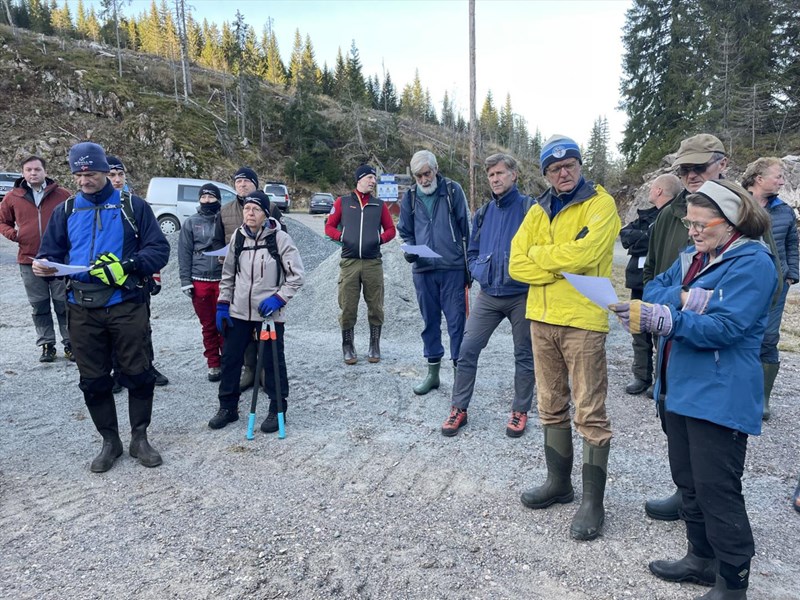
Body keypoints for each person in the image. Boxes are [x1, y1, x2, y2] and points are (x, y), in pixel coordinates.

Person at [610, 179, 777, 599]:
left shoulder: (753, 263)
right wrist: (690, 296)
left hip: (720, 395)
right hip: (679, 388)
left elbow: (726, 328)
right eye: (690, 224)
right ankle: (700, 560)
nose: (694, 232)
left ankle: (733, 584)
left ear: (732, 222)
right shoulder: (693, 257)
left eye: (703, 224)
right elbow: (653, 288)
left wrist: (666, 316)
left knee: (717, 491)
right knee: (688, 482)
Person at [509, 134, 620, 541]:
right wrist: (556, 265)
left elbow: (586, 255)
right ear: (547, 174)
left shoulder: (600, 204)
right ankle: (560, 484)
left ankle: (593, 502)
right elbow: (516, 263)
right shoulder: (537, 210)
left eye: (569, 164)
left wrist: (543, 258)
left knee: (589, 410)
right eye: (555, 168)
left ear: (579, 164)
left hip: (584, 321)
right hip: (541, 318)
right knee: (550, 405)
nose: (563, 172)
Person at [33, 141, 170, 472]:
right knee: (93, 379)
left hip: (126, 303)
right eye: (78, 175)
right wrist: (43, 265)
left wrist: (130, 264)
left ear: (105, 172)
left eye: (91, 173)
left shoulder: (133, 207)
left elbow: (159, 249)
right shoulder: (65, 211)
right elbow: (49, 252)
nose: (84, 181)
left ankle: (140, 438)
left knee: (138, 373)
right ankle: (110, 441)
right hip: (81, 306)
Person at [641, 133, 728, 522]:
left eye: (699, 167)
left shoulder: (738, 211)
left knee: (710, 442)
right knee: (672, 419)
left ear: (721, 164)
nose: (691, 174)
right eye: (685, 169)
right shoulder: (669, 214)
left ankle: (707, 514)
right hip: (671, 334)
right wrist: (672, 299)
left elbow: (764, 284)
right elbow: (653, 275)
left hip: (715, 346)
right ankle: (685, 494)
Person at [440, 153, 534, 438]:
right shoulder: (482, 213)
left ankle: (520, 411)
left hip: (522, 295)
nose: (495, 179)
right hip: (489, 295)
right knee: (467, 349)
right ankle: (459, 408)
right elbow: (473, 251)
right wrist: (482, 271)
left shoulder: (531, 208)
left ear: (514, 175)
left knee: (524, 354)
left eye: (501, 173)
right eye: (491, 175)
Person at [209, 191, 304, 432]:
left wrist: (278, 298)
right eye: (247, 209)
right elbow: (228, 274)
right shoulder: (238, 239)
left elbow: (296, 277)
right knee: (230, 359)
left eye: (256, 209)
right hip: (239, 311)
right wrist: (222, 304)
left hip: (268, 314)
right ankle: (228, 407)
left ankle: (277, 408)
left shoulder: (279, 239)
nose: (250, 213)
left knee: (273, 362)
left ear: (265, 214)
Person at [397, 150, 470, 394]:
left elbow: (465, 229)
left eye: (427, 174)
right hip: (423, 270)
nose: (423, 180)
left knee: (456, 323)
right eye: (418, 176)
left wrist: (469, 268)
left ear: (435, 169)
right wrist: (409, 249)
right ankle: (433, 374)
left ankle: (460, 375)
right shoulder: (409, 196)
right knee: (429, 323)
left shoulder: (452, 190)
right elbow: (405, 230)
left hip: (452, 268)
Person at [214, 167, 284, 391]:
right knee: (237, 346)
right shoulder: (224, 211)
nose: (241, 185)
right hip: (239, 285)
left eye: (246, 181)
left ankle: (265, 375)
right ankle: (249, 371)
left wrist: (279, 296)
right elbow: (217, 244)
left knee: (269, 348)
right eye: (238, 182)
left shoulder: (272, 210)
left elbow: (285, 254)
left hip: (265, 288)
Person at [741, 157, 798, 420]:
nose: (782, 181)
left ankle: (761, 400)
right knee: (738, 332)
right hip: (742, 282)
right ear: (758, 177)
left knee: (768, 337)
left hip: (777, 284)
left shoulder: (785, 211)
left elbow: (792, 245)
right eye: (778, 176)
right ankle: (737, 389)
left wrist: (791, 276)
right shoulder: (739, 203)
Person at [0, 155, 72, 362]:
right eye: (29, 170)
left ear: (45, 172)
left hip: (58, 261)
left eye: (37, 169)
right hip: (28, 260)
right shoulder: (13, 197)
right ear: (23, 173)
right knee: (39, 305)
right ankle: (47, 344)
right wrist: (14, 235)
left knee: (63, 304)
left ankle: (70, 343)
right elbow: (2, 221)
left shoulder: (63, 195)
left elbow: (75, 221)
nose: (33, 173)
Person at [106, 155, 169, 390]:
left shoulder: (135, 205)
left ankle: (147, 366)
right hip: (106, 280)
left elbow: (152, 244)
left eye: (120, 175)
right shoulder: (91, 207)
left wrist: (155, 275)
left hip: (136, 278)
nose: (117, 179)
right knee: (110, 330)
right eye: (112, 175)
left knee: (142, 327)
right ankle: (115, 371)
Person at [324, 164, 396, 364]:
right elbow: (328, 227)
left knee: (376, 306)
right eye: (370, 177)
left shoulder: (379, 205)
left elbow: (391, 230)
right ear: (359, 179)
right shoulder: (342, 202)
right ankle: (348, 346)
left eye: (374, 178)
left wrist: (379, 239)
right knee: (348, 306)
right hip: (349, 262)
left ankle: (374, 345)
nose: (373, 181)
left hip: (373, 263)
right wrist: (342, 236)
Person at [619, 174, 683, 395]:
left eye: (652, 188)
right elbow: (626, 236)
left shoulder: (677, 217)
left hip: (665, 286)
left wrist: (643, 238)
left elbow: (651, 242)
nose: (649, 192)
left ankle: (661, 380)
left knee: (662, 333)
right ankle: (641, 376)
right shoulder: (645, 216)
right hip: (639, 283)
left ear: (657, 191)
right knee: (639, 329)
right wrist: (643, 236)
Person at [178, 183, 225, 382]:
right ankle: (213, 363)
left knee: (225, 324)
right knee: (208, 325)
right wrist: (185, 280)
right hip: (200, 280)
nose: (207, 201)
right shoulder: (191, 222)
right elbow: (184, 252)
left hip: (224, 279)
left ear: (218, 199)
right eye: (203, 197)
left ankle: (230, 362)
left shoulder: (225, 219)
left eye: (211, 197)